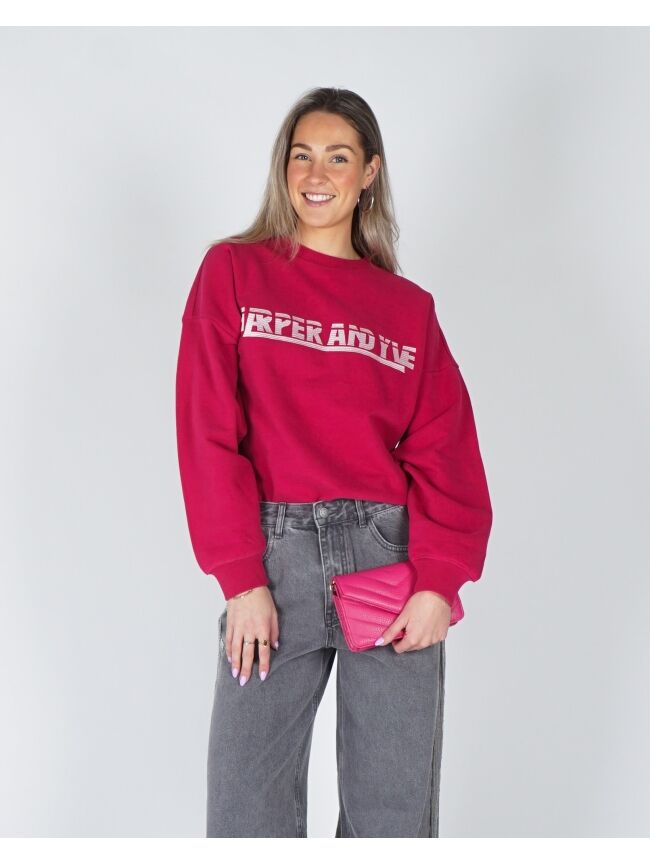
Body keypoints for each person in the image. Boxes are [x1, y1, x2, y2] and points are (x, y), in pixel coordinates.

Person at [175, 86, 493, 838]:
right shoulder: (233, 272)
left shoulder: (406, 309)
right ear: (283, 168)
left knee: (392, 818)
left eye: (339, 157)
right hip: (273, 560)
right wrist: (241, 579)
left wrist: (439, 583)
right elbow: (207, 431)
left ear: (369, 172)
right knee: (245, 812)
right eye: (302, 156)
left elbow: (447, 450)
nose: (316, 175)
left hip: (387, 562)